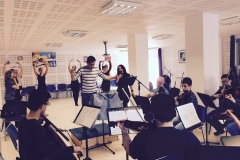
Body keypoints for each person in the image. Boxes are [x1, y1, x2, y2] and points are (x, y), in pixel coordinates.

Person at [118, 94, 201, 160]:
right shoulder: (190, 138)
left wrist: (124, 132)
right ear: (174, 113)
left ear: (153, 115)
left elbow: (129, 150)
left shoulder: (143, 138)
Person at [18, 89, 83, 160]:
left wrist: (40, 120)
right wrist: (72, 149)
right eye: (47, 103)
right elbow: (49, 153)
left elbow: (32, 134)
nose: (47, 106)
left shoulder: (23, 120)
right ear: (41, 106)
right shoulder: (37, 129)